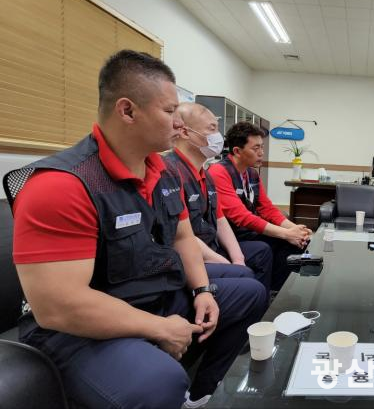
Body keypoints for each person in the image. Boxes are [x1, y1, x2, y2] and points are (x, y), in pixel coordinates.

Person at [3, 50, 267, 409]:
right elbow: (58, 307)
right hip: (77, 328)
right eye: (170, 111)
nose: (180, 124)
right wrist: (158, 327)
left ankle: (204, 393)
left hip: (151, 294)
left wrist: (203, 290)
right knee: (159, 383)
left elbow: (182, 237)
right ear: (127, 111)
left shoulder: (162, 172)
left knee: (250, 294)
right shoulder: (62, 185)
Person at [164, 102, 273, 293]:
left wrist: (238, 259)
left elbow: (220, 219)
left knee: (261, 252)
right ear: (185, 132)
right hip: (189, 257)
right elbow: (181, 237)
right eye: (211, 129)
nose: (218, 137)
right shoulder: (170, 173)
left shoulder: (205, 174)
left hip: (211, 246)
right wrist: (227, 264)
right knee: (248, 282)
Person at [208, 121, 311, 291]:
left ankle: (278, 291)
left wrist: (294, 229)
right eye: (256, 148)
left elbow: (266, 208)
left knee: (295, 243)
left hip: (247, 232)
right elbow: (241, 217)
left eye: (262, 147)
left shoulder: (251, 173)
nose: (261, 153)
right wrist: (286, 233)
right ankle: (262, 296)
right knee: (265, 247)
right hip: (229, 237)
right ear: (237, 151)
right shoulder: (219, 172)